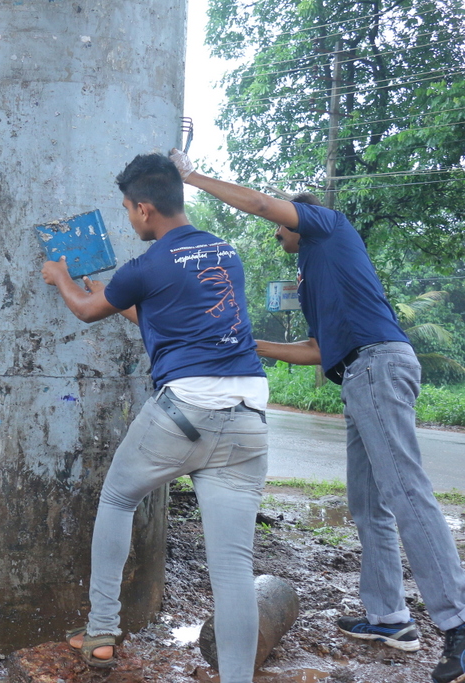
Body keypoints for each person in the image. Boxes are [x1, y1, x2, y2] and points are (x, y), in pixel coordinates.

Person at [170, 148, 465, 683]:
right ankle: (390, 618)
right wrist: (245, 343)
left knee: (404, 491)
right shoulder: (312, 274)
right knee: (368, 504)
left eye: (281, 230)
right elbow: (315, 348)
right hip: (355, 374)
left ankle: (459, 624)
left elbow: (261, 203)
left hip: (377, 366)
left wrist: (190, 176)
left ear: (296, 220)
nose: (277, 239)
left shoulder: (327, 227)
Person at [41, 153, 268, 682]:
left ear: (144, 209)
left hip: (183, 412)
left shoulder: (143, 266)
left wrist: (60, 278)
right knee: (233, 568)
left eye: (126, 209)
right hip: (248, 420)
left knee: (119, 498)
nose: (127, 218)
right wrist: (119, 298)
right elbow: (171, 313)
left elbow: (86, 309)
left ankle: (100, 633)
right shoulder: (225, 252)